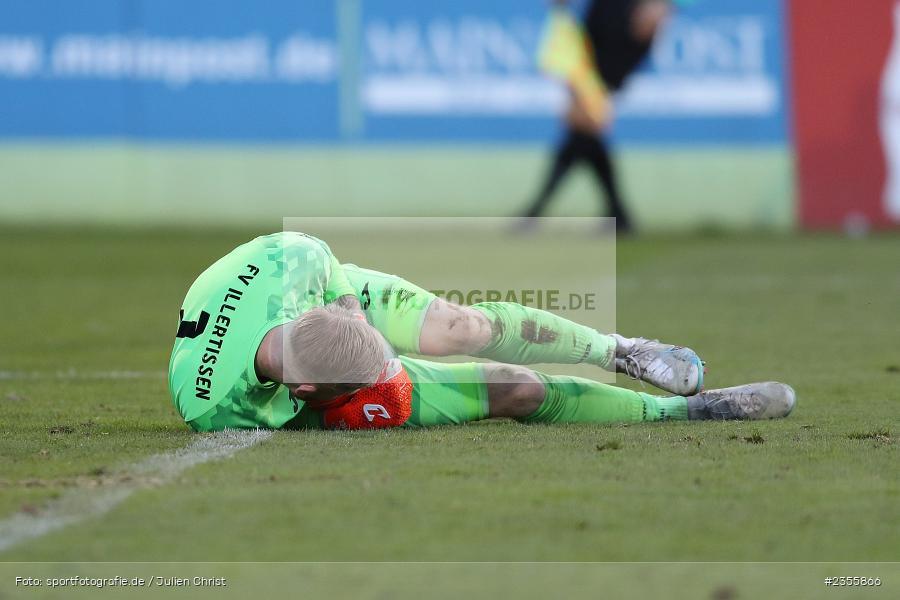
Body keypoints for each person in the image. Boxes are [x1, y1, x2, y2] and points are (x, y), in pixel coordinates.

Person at [168, 232, 795, 432]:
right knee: (516, 389)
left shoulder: (292, 261)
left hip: (326, 307)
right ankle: (685, 413)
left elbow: (318, 251)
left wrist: (349, 311)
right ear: (303, 391)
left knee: (458, 329)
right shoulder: (216, 408)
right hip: (303, 365)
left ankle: (622, 351)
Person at [521, 0, 673, 232]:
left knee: (581, 135)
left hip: (611, 52)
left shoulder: (639, 22)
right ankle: (619, 215)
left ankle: (535, 212)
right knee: (585, 139)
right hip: (594, 46)